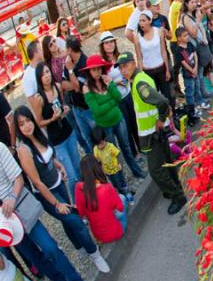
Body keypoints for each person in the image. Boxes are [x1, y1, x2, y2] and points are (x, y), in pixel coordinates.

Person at [13, 106, 110, 273]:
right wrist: (56, 203)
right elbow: (37, 182)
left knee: (67, 220)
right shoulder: (23, 150)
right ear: (18, 128)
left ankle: (79, 246)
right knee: (76, 221)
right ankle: (94, 253)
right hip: (47, 195)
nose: (27, 125)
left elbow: (50, 156)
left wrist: (59, 166)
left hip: (59, 182)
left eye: (28, 120)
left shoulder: (38, 134)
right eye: (21, 124)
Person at [116, 52, 187, 214]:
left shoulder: (139, 84)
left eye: (125, 66)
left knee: (155, 170)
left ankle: (178, 195)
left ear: (134, 63)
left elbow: (162, 101)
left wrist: (161, 119)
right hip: (156, 132)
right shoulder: (139, 79)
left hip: (153, 133)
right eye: (120, 68)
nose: (123, 70)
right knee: (167, 160)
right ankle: (176, 187)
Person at [81, 54, 146, 179]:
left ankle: (136, 171)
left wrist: (110, 86)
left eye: (99, 68)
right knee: (112, 155)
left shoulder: (107, 80)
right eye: (94, 69)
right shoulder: (86, 88)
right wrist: (111, 101)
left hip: (118, 119)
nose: (97, 72)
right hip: (105, 126)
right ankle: (121, 181)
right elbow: (97, 110)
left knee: (126, 147)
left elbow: (117, 97)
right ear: (89, 71)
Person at [32, 63, 81, 192]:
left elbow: (62, 104)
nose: (46, 76)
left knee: (78, 168)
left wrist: (65, 110)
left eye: (47, 72)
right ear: (39, 78)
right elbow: (39, 123)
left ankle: (84, 197)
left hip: (69, 132)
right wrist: (52, 119)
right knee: (70, 175)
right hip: (57, 141)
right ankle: (77, 205)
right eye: (43, 75)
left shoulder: (57, 87)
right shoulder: (39, 98)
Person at [99, 31, 139, 155]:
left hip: (128, 93)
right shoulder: (102, 64)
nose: (110, 45)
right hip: (118, 99)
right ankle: (133, 153)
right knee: (126, 127)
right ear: (102, 46)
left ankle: (142, 147)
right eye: (107, 43)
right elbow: (103, 85)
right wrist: (116, 83)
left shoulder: (120, 57)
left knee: (135, 121)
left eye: (112, 42)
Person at [75, 154, 127, 243]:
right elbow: (120, 208)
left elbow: (81, 212)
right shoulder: (107, 187)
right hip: (116, 232)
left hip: (99, 236)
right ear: (97, 168)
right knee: (122, 198)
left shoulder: (78, 188)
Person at [61, 37, 94, 154]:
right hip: (76, 108)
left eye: (65, 48)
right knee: (87, 138)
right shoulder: (68, 62)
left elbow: (78, 88)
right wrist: (74, 84)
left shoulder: (85, 63)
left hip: (88, 108)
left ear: (70, 49)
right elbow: (63, 84)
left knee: (97, 135)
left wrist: (70, 71)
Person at [135, 9, 172, 101]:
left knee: (167, 94)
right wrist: (141, 75)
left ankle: (171, 113)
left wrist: (167, 69)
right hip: (148, 72)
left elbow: (163, 51)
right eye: (140, 21)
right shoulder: (137, 36)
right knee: (154, 98)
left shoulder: (158, 31)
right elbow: (139, 57)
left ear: (150, 20)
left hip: (161, 68)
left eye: (143, 20)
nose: (141, 23)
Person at [90, 127, 133, 204]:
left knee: (121, 183)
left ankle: (128, 195)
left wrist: (120, 164)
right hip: (107, 172)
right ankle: (122, 196)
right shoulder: (96, 149)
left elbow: (118, 154)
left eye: (102, 143)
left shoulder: (110, 146)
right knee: (115, 184)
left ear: (104, 139)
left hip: (116, 169)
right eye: (98, 144)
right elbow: (97, 160)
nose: (100, 146)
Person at [172, 27, 206, 117]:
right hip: (187, 74)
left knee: (197, 87)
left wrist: (195, 68)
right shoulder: (178, 50)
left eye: (187, 35)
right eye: (185, 36)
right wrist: (192, 70)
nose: (187, 37)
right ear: (179, 38)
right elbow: (183, 63)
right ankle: (191, 108)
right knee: (190, 91)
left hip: (195, 70)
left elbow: (195, 55)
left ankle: (200, 101)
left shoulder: (190, 44)